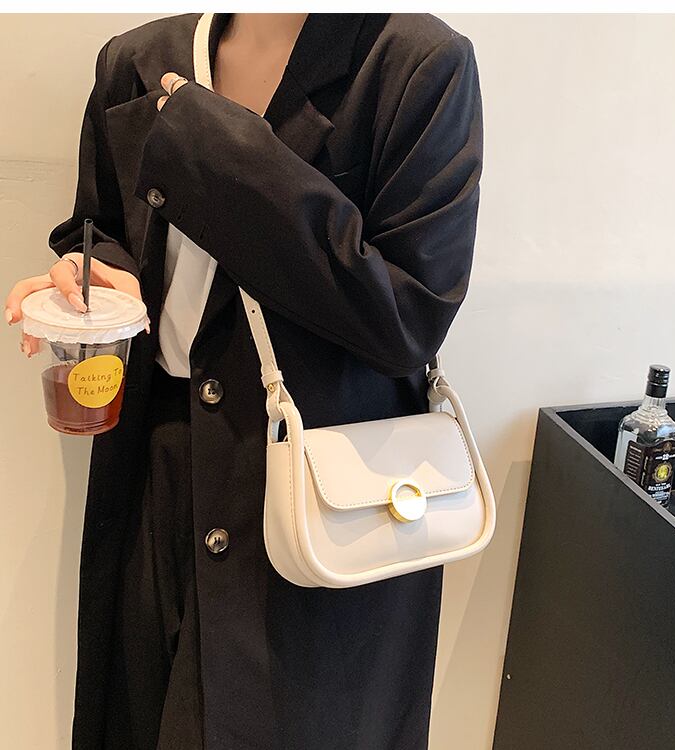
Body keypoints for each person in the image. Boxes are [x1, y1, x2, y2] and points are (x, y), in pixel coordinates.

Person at [5, 12, 483, 750]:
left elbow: (407, 321)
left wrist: (220, 151)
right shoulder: (138, 60)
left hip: (320, 497)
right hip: (156, 470)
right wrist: (93, 277)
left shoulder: (415, 64)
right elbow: (102, 230)